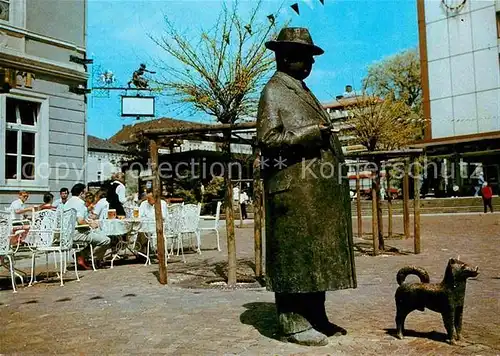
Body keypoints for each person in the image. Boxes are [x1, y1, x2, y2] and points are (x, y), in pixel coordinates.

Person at [257, 27, 356, 346]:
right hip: (293, 192)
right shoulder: (274, 90)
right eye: (303, 57)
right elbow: (268, 140)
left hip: (313, 193)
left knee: (314, 257)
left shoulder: (301, 89)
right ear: (284, 57)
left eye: (311, 58)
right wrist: (308, 135)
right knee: (295, 256)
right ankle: (292, 322)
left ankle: (316, 316)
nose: (309, 64)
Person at [64, 183, 110, 270]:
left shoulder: (68, 203)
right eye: (85, 193)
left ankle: (82, 255)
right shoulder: (80, 203)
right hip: (78, 233)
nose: (85, 195)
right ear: (81, 193)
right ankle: (89, 258)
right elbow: (80, 221)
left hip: (67, 233)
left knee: (97, 235)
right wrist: (91, 224)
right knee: (106, 240)